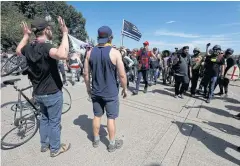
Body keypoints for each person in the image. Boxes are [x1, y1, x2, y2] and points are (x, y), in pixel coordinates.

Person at [16, 17, 71, 157]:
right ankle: (55, 149)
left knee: (44, 119)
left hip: (38, 93)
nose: (51, 30)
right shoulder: (47, 46)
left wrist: (25, 36)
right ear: (46, 30)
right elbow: (63, 54)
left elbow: (18, 50)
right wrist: (65, 33)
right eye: (50, 28)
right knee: (53, 122)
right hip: (52, 92)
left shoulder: (29, 47)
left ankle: (44, 145)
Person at [83, 26, 127, 152]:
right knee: (110, 118)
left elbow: (86, 74)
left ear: (98, 37)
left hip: (96, 91)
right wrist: (124, 89)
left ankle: (96, 140)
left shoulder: (89, 52)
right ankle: (112, 144)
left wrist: (88, 89)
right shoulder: (115, 53)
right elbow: (122, 75)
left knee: (97, 116)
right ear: (110, 38)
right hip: (110, 92)